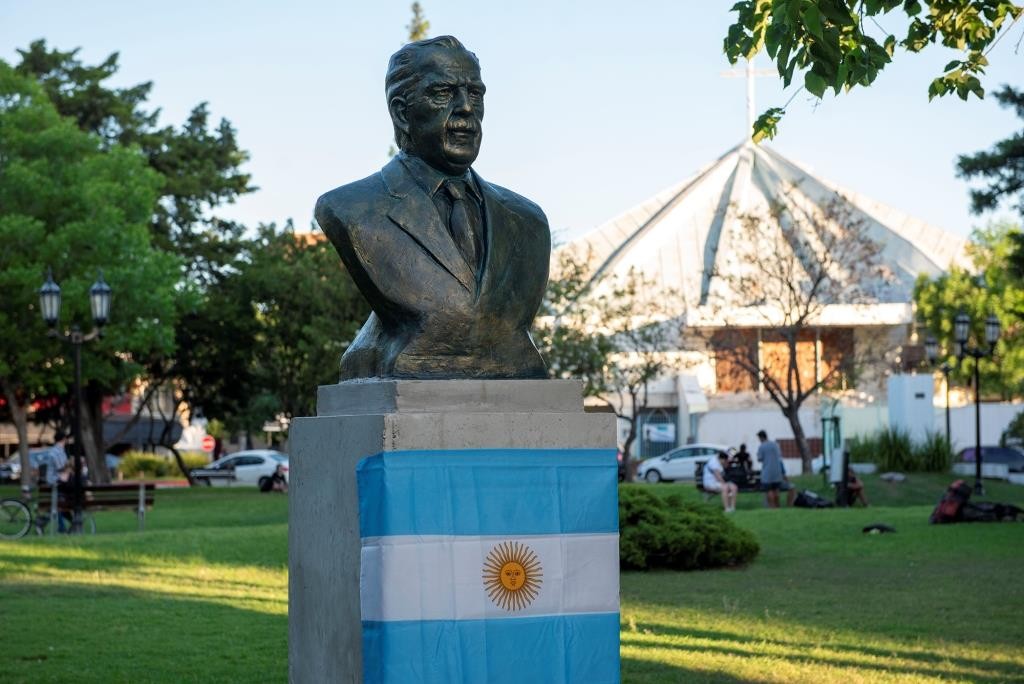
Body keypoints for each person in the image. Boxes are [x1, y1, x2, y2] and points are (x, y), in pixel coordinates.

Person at [315, 36, 551, 380]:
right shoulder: (351, 209)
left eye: (475, 94)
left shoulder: (528, 222)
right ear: (401, 112)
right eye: (443, 93)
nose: (465, 108)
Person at [757, 430, 795, 508]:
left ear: (761, 437)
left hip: (767, 474)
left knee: (769, 490)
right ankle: (778, 506)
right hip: (777, 473)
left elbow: (760, 459)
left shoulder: (762, 446)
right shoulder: (775, 445)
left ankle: (772, 507)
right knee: (776, 490)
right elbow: (779, 457)